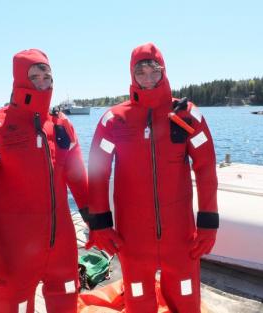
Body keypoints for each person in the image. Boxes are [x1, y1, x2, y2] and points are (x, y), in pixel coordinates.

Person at [86, 43, 219, 313]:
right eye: (140, 72)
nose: (147, 78)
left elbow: (206, 168)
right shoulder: (114, 120)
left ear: (164, 72)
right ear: (131, 76)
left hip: (180, 236)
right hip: (133, 238)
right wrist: (100, 224)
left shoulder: (187, 114)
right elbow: (98, 172)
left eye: (153, 71)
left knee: (186, 301)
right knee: (138, 301)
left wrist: (208, 223)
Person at [0, 49, 88, 313]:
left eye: (47, 76)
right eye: (34, 76)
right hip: (14, 252)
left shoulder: (62, 125)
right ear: (19, 80)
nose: (42, 82)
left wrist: (96, 221)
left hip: (62, 247)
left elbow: (78, 178)